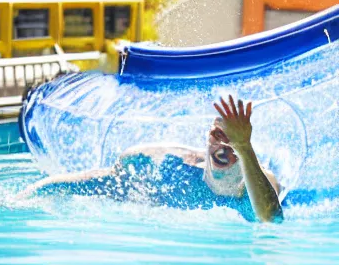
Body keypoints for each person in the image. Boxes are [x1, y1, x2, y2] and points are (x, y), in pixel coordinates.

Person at [19, 95, 284, 223]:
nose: (224, 145)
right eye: (218, 135)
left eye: (233, 141)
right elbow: (102, 181)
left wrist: (243, 145)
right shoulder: (174, 171)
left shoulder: (255, 187)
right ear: (208, 139)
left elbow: (272, 220)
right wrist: (41, 188)